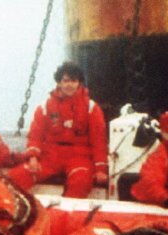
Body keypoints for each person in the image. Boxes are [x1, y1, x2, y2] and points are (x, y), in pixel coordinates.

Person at [17, 61, 108, 197]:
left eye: (73, 80)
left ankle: (67, 214)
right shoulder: (45, 107)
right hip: (51, 156)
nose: (69, 85)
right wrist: (33, 157)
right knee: (18, 175)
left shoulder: (91, 108)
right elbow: (35, 136)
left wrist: (100, 169)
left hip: (79, 157)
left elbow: (99, 141)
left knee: (81, 180)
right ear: (59, 83)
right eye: (65, 81)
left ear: (79, 83)